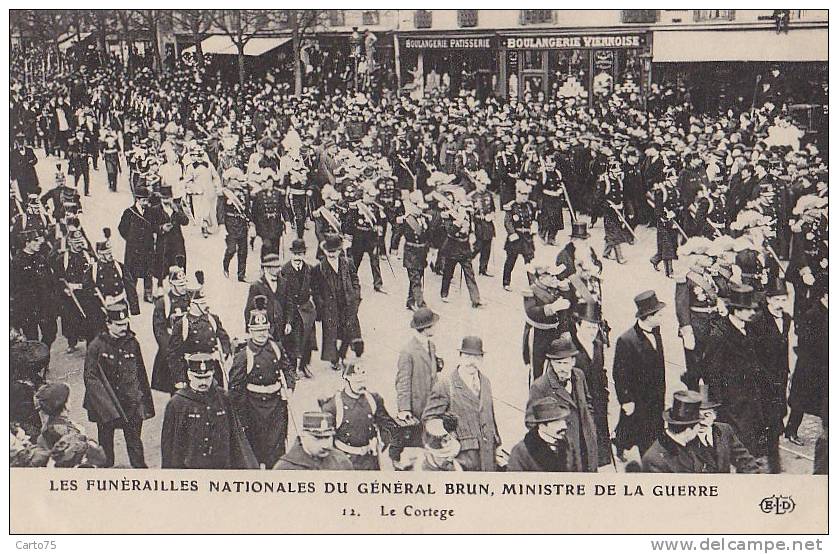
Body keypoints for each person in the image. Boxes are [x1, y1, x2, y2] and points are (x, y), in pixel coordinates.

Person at [703, 283, 770, 460]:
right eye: (747, 309)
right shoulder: (720, 334)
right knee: (740, 436)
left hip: (750, 392)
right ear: (736, 310)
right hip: (732, 398)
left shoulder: (748, 327)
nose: (752, 313)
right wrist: (718, 402)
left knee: (753, 431)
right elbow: (712, 371)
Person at [83, 303, 154, 468]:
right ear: (108, 324)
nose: (124, 328)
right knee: (106, 448)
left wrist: (143, 402)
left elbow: (140, 373)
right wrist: (108, 409)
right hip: (106, 407)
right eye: (119, 324)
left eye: (125, 323)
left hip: (131, 404)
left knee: (135, 445)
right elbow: (91, 379)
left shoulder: (132, 343)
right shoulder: (96, 346)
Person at [229, 298, 296, 468]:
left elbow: (288, 368)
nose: (262, 334)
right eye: (257, 330)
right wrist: (240, 416)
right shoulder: (244, 355)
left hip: (276, 406)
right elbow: (235, 390)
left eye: (265, 330)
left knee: (276, 448)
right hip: (254, 407)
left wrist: (289, 386)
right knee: (256, 450)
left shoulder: (276, 347)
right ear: (250, 331)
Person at [161, 353, 258, 469]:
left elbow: (236, 438)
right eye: (198, 378)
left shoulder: (223, 399)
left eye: (207, 377)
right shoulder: (177, 404)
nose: (203, 382)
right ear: (189, 375)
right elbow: (169, 447)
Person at [423, 336, 503, 471]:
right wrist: (448, 442)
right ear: (460, 357)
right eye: (467, 356)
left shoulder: (485, 382)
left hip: (488, 456)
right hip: (463, 459)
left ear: (482, 359)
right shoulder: (445, 385)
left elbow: (490, 415)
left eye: (477, 357)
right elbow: (430, 420)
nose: (472, 362)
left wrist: (498, 443)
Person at [528, 336, 598, 472]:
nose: (562, 368)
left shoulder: (579, 376)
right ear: (551, 363)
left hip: (586, 446)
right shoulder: (540, 386)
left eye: (565, 363)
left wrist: (591, 427)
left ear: (573, 362)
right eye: (557, 363)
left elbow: (588, 404)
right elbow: (531, 422)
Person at [612, 290, 668, 458]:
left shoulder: (656, 330)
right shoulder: (626, 340)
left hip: (656, 394)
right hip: (638, 397)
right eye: (659, 315)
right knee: (639, 428)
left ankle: (621, 443)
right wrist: (626, 400)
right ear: (649, 316)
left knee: (642, 426)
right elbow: (619, 374)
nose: (662, 318)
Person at [320, 358, 399, 470]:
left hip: (370, 461)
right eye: (357, 382)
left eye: (363, 381)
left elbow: (388, 425)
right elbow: (325, 439)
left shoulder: (373, 399)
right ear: (346, 380)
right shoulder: (334, 405)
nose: (362, 385)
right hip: (345, 462)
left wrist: (382, 442)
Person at [750, 277, 793, 473]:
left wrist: (787, 373)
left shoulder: (787, 319)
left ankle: (772, 461)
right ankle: (765, 462)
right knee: (766, 420)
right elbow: (754, 355)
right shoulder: (758, 321)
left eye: (784, 300)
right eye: (777, 300)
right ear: (768, 300)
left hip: (780, 379)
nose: (780, 304)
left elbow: (785, 349)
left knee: (777, 418)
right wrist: (766, 378)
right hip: (762, 381)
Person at [167, 272, 233, 390]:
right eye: (201, 303)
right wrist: (179, 379)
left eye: (204, 302)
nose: (205, 306)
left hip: (212, 367)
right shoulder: (182, 324)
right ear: (192, 304)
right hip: (192, 370)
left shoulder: (213, 319)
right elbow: (173, 354)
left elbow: (223, 337)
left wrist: (225, 351)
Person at [570, 301, 612, 468]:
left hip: (599, 401)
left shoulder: (598, 345)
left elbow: (601, 371)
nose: (592, 332)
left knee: (600, 442)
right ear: (578, 325)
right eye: (588, 327)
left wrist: (605, 394)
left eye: (595, 328)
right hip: (579, 403)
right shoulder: (570, 348)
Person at [311, 233, 363, 369]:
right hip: (329, 306)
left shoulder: (348, 262)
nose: (331, 254)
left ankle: (342, 354)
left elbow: (355, 280)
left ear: (339, 251)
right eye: (328, 252)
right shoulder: (319, 268)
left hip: (347, 302)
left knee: (348, 330)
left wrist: (356, 295)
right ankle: (334, 359)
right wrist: (320, 304)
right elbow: (315, 289)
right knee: (331, 333)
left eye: (334, 251)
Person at [786, 285, 827, 446]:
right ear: (825, 295)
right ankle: (791, 431)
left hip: (823, 365)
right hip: (809, 366)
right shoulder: (813, 314)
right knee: (800, 401)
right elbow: (804, 341)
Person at [522, 256, 573, 383]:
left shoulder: (555, 288)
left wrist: (564, 330)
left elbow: (563, 313)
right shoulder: (531, 291)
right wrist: (552, 308)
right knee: (536, 369)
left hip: (554, 332)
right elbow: (531, 312)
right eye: (552, 276)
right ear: (542, 277)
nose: (555, 279)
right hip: (538, 334)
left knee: (553, 365)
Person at [693, 385, 762, 473]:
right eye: (697, 416)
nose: (702, 422)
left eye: (707, 415)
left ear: (715, 415)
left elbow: (746, 461)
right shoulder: (685, 437)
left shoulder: (724, 430)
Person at [641, 390, 713, 473]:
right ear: (688, 430)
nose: (699, 429)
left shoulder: (691, 443)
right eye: (698, 424)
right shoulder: (654, 461)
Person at [11, 229, 58, 347]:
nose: (39, 243)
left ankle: (43, 353)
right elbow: (13, 288)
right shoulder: (17, 262)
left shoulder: (41, 258)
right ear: (27, 243)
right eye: (35, 241)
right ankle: (39, 362)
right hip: (28, 307)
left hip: (44, 304)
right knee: (32, 337)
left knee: (51, 333)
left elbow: (50, 280)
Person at [150, 260, 191, 395]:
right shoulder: (164, 302)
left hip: (190, 345)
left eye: (184, 283)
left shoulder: (191, 297)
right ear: (172, 284)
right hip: (172, 346)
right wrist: (169, 347)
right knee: (175, 384)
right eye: (179, 285)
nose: (183, 287)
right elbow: (159, 329)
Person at [280, 239, 317, 379]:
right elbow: (283, 294)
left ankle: (305, 366)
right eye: (295, 254)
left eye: (300, 254)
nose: (297, 257)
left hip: (306, 309)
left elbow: (315, 288)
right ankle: (292, 368)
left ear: (304, 254)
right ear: (291, 254)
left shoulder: (309, 269)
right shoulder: (284, 270)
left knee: (308, 340)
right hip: (292, 310)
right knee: (293, 341)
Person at [508, 397, 572, 472]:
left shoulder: (568, 444)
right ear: (542, 425)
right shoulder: (521, 451)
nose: (564, 427)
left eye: (564, 421)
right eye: (557, 423)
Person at [273, 412, 353, 470]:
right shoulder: (285, 468)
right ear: (303, 436)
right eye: (317, 438)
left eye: (328, 437)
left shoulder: (341, 461)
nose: (325, 445)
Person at [344, 180, 386, 292]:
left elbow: (379, 220)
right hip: (359, 237)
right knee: (355, 261)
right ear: (365, 194)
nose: (373, 198)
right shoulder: (356, 207)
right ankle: (351, 282)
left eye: (373, 196)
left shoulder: (376, 207)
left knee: (375, 261)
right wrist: (348, 238)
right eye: (371, 195)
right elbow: (349, 222)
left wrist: (379, 227)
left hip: (371, 237)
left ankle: (378, 284)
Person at [117, 186, 156, 305]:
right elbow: (122, 228)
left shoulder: (150, 212)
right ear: (137, 200)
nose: (146, 202)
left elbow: (154, 226)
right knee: (132, 272)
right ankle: (131, 293)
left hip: (147, 247)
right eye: (143, 200)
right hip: (133, 249)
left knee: (148, 271)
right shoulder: (129, 212)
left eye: (147, 200)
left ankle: (148, 293)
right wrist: (130, 239)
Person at [147, 185, 189, 290]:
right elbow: (151, 226)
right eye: (164, 198)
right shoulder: (155, 210)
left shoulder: (177, 207)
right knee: (162, 264)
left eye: (168, 198)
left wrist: (177, 211)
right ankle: (160, 284)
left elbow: (185, 221)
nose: (166, 200)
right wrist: (161, 228)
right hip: (163, 241)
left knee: (178, 264)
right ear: (160, 198)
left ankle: (179, 284)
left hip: (177, 241)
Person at [502, 180, 537, 291]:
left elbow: (534, 219)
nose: (524, 197)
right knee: (511, 260)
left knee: (530, 261)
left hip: (526, 238)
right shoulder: (511, 206)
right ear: (517, 193)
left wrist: (534, 227)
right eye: (522, 194)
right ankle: (506, 282)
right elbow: (507, 221)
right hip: (516, 238)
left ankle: (533, 283)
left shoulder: (530, 206)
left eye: (526, 194)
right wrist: (512, 233)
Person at [400, 190, 432, 310]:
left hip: (421, 254)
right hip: (411, 253)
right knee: (416, 280)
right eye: (419, 208)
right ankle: (421, 304)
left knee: (417, 277)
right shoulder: (407, 220)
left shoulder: (424, 219)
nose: (421, 210)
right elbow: (397, 234)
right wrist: (393, 249)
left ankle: (410, 301)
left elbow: (428, 236)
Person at [244, 253, 286, 343]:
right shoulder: (257, 286)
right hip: (265, 327)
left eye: (278, 266)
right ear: (267, 268)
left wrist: (288, 323)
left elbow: (289, 304)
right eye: (275, 267)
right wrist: (249, 330)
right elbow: (249, 309)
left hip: (281, 328)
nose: (278, 269)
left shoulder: (283, 282)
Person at [221, 168, 251, 282]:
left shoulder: (243, 193)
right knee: (231, 249)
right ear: (229, 180)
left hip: (242, 224)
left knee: (243, 250)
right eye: (236, 180)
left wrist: (250, 222)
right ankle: (225, 265)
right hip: (230, 224)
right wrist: (222, 226)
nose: (238, 182)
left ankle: (241, 275)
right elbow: (220, 211)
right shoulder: (224, 194)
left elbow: (247, 209)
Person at [469, 170, 496, 275]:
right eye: (482, 183)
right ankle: (466, 262)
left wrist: (492, 215)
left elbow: (493, 209)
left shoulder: (489, 195)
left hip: (488, 225)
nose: (484, 186)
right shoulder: (471, 196)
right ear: (477, 182)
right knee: (477, 247)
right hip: (478, 225)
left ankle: (483, 269)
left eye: (485, 184)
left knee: (487, 248)